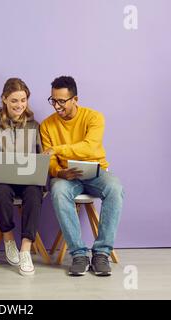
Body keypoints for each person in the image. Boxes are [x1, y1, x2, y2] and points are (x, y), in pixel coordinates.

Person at [40, 76, 124, 276]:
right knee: (58, 190)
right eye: (53, 100)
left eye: (62, 101)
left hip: (95, 172)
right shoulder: (46, 125)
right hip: (67, 176)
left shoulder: (94, 117)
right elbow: (49, 161)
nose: (57, 106)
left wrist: (57, 150)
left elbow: (89, 148)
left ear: (75, 99)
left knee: (115, 188)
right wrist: (59, 172)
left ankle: (102, 253)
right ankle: (78, 253)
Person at [0, 78, 44, 276]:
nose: (19, 105)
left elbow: (38, 156)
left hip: (27, 179)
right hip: (0, 177)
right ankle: (9, 239)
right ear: (4, 99)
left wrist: (42, 162)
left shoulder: (34, 125)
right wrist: (7, 168)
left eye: (23, 100)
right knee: (0, 189)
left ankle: (25, 249)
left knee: (35, 192)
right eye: (14, 100)